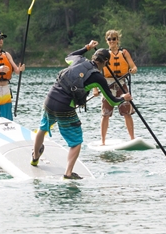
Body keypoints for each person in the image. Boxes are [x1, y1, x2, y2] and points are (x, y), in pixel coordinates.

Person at [30, 40, 132, 180]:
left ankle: (35, 157)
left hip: (50, 99)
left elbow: (69, 56)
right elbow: (112, 101)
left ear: (93, 57)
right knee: (76, 142)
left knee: (43, 128)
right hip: (65, 107)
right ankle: (68, 173)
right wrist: (124, 98)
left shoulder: (79, 59)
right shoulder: (98, 77)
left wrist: (86, 47)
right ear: (105, 62)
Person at [98, 29, 138, 145]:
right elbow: (94, 71)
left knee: (127, 113)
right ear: (107, 41)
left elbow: (133, 67)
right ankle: (103, 141)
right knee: (106, 114)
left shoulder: (124, 53)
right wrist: (95, 89)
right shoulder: (103, 54)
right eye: (109, 39)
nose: (112, 41)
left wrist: (133, 70)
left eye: (114, 39)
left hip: (121, 84)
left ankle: (132, 139)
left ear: (117, 40)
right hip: (108, 85)